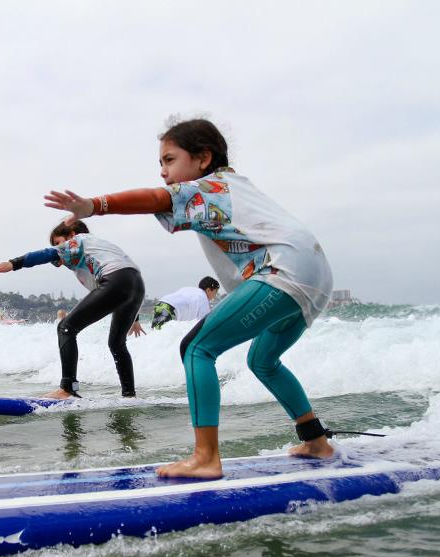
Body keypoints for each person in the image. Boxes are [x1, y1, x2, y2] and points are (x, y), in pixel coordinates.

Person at [45, 118, 333, 477]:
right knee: (264, 361)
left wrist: (95, 205)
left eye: (169, 160)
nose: (164, 172)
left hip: (282, 270)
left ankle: (206, 457)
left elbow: (155, 198)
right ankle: (316, 441)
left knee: (197, 348)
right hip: (315, 271)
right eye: (160, 164)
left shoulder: (205, 187)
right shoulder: (233, 185)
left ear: (202, 157)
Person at [0, 220, 145, 399]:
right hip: (136, 285)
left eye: (58, 242)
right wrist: (135, 318)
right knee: (116, 343)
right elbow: (124, 285)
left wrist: (14, 264)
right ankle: (129, 394)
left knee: (66, 327)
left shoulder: (80, 239)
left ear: (72, 235)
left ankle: (67, 388)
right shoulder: (97, 250)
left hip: (115, 280)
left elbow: (48, 254)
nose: (58, 247)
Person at [151, 276, 220, 329]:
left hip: (161, 304)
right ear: (208, 290)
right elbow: (204, 324)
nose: (215, 296)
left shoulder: (191, 290)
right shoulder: (203, 298)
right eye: (215, 292)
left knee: (156, 335)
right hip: (169, 308)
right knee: (162, 338)